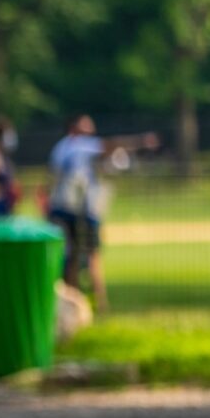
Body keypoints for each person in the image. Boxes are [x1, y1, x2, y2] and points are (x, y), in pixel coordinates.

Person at [47, 115, 158, 311]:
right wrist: (141, 141)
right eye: (86, 130)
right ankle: (100, 302)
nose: (90, 134)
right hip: (81, 210)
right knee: (92, 254)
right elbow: (111, 145)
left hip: (62, 208)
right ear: (74, 129)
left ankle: (72, 301)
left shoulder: (59, 148)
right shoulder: (79, 145)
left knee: (71, 257)